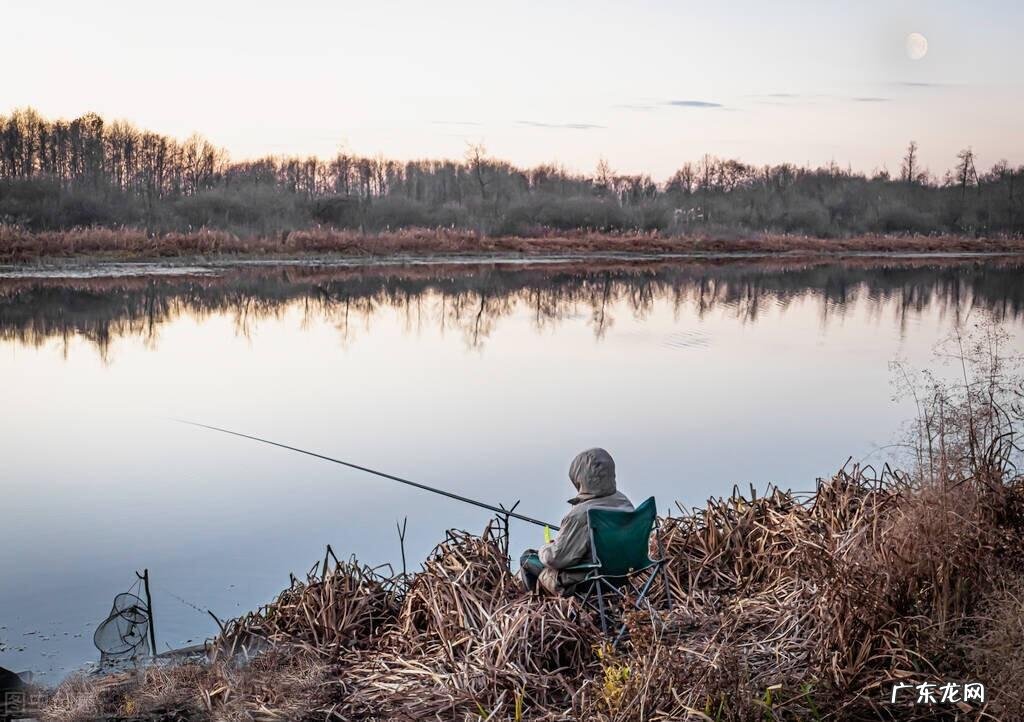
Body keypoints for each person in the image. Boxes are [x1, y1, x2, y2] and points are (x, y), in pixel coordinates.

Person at [519, 447, 633, 595]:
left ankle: (537, 609)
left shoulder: (580, 514)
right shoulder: (624, 502)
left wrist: (545, 548)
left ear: (580, 478)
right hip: (623, 575)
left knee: (527, 557)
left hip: (590, 580)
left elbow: (556, 559)